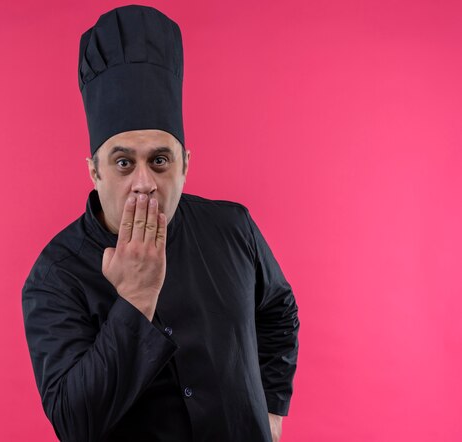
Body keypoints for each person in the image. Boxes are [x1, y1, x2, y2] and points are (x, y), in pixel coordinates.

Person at [22, 5, 300, 442]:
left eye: (159, 160)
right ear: (95, 171)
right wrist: (134, 301)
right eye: (123, 162)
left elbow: (278, 311)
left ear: (185, 165)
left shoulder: (233, 227)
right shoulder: (55, 277)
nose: (143, 183)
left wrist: (272, 411)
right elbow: (75, 424)